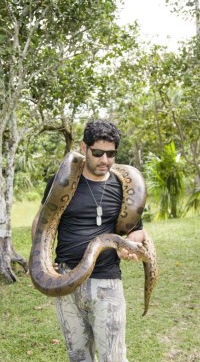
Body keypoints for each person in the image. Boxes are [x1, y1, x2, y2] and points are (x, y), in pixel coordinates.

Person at [31, 119, 145, 362]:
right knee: (78, 356)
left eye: (111, 154)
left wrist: (132, 245)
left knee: (112, 357)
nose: (105, 160)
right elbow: (42, 223)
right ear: (84, 149)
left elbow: (136, 230)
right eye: (98, 153)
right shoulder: (61, 182)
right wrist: (42, 262)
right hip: (65, 279)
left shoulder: (121, 187)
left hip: (106, 282)